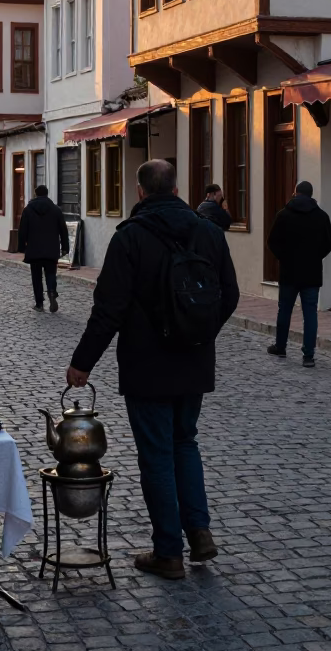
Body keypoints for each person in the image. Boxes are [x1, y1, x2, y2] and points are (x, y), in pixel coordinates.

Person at [66, 159, 239, 581]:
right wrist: (200, 331)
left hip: (148, 363)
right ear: (176, 188)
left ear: (141, 192)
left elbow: (109, 308)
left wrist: (82, 363)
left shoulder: (131, 238)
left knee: (158, 454)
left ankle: (168, 552)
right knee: (185, 443)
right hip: (194, 360)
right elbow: (230, 295)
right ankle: (198, 532)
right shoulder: (210, 233)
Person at [266, 181, 331, 369]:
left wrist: (284, 257)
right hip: (311, 272)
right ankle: (308, 355)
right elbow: (329, 243)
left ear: (295, 193)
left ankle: (280, 346)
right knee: (310, 313)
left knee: (285, 309)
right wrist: (315, 256)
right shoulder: (321, 217)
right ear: (311, 195)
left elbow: (272, 241)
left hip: (289, 271)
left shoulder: (283, 215)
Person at [18, 184, 69, 311]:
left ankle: (39, 304)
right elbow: (63, 230)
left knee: (36, 277)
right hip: (51, 248)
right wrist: (65, 247)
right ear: (47, 194)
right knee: (51, 273)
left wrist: (21, 247)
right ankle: (52, 292)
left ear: (36, 194)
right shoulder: (56, 210)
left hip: (34, 248)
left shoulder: (28, 210)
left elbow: (22, 230)